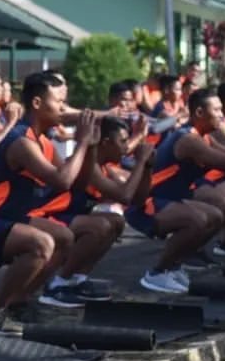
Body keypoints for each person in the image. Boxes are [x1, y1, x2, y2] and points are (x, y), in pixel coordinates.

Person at [0, 72, 99, 334]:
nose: (63, 111)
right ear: (37, 104)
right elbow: (62, 181)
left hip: (5, 218)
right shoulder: (21, 141)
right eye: (59, 104)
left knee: (63, 237)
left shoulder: (43, 142)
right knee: (42, 244)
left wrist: (91, 147)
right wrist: (82, 142)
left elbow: (76, 186)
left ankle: (18, 303)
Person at [30, 117, 155, 303]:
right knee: (100, 226)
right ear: (105, 143)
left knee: (116, 221)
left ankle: (78, 278)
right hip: (45, 216)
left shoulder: (105, 167)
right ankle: (57, 284)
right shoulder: (90, 166)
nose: (126, 148)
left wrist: (147, 167)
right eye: (122, 141)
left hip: (66, 216)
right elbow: (125, 196)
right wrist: (140, 161)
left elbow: (137, 200)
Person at [125, 88, 225, 289]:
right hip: (146, 203)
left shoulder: (203, 136)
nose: (221, 115)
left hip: (167, 199)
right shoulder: (188, 140)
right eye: (217, 110)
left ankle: (174, 266)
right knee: (199, 219)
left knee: (215, 216)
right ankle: (157, 273)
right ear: (200, 113)